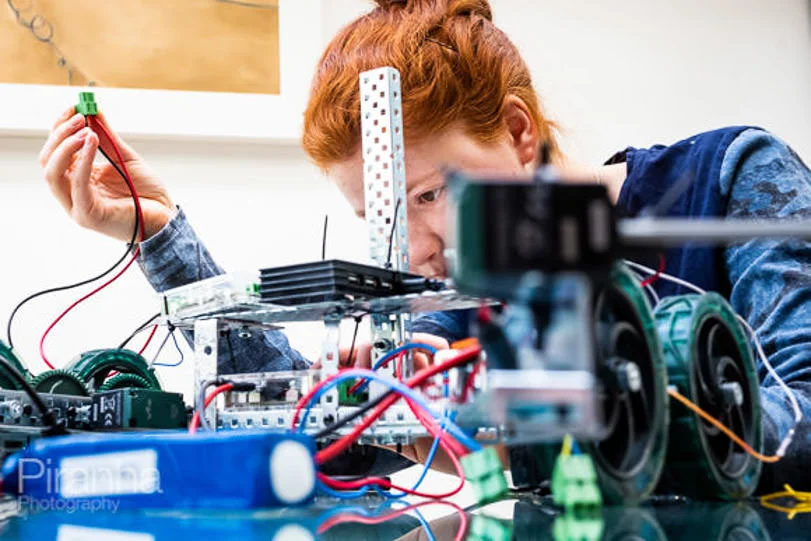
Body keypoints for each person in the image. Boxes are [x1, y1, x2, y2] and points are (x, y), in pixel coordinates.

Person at [39, 0, 811, 492]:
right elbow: (322, 413)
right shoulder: (456, 301)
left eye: (428, 196)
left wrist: (537, 428)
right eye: (384, 220)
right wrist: (159, 232)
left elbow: (802, 414)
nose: (415, 255)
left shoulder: (731, 176)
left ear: (516, 132)